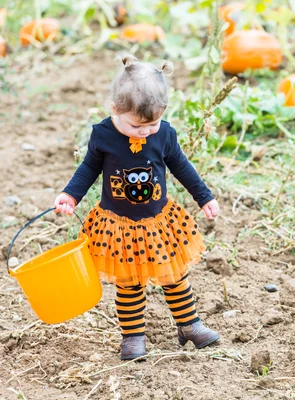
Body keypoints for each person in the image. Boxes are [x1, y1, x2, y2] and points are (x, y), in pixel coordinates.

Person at [54, 53, 220, 360]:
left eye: (152, 124)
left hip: (159, 221)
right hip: (119, 225)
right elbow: (89, 169)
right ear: (115, 109)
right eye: (136, 125)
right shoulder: (103, 134)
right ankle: (132, 337)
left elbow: (182, 167)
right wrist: (70, 195)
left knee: (174, 276)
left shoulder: (165, 134)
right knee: (128, 284)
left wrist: (204, 196)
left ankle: (190, 325)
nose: (144, 132)